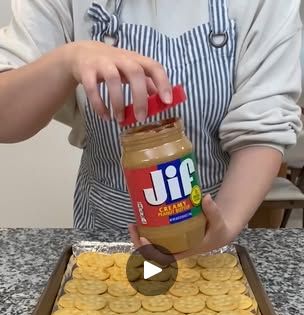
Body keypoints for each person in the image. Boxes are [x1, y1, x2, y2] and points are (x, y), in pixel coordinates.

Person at [0, 0, 302, 256]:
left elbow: (265, 122)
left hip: (213, 229)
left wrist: (225, 223)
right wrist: (67, 60)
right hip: (104, 231)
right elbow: (6, 119)